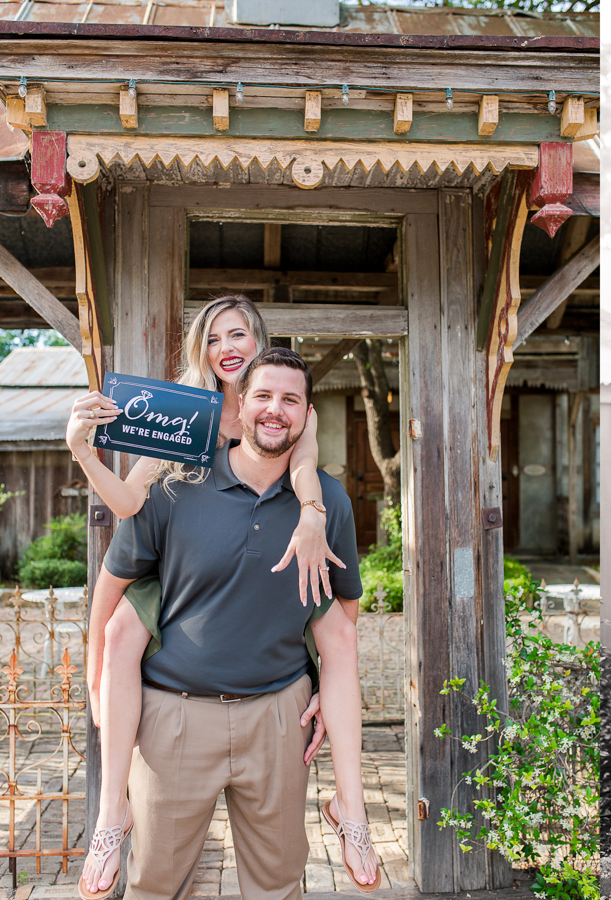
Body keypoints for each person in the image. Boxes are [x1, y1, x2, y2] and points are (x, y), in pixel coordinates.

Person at [69, 299, 379, 897]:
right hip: (184, 576)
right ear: (206, 358)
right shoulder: (186, 426)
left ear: (261, 343)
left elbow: (305, 460)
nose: (226, 347)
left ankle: (352, 807)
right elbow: (128, 510)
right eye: (213, 339)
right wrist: (83, 451)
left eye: (238, 335)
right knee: (120, 632)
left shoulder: (288, 407)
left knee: (338, 633)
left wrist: (312, 511)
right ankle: (112, 815)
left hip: (284, 565)